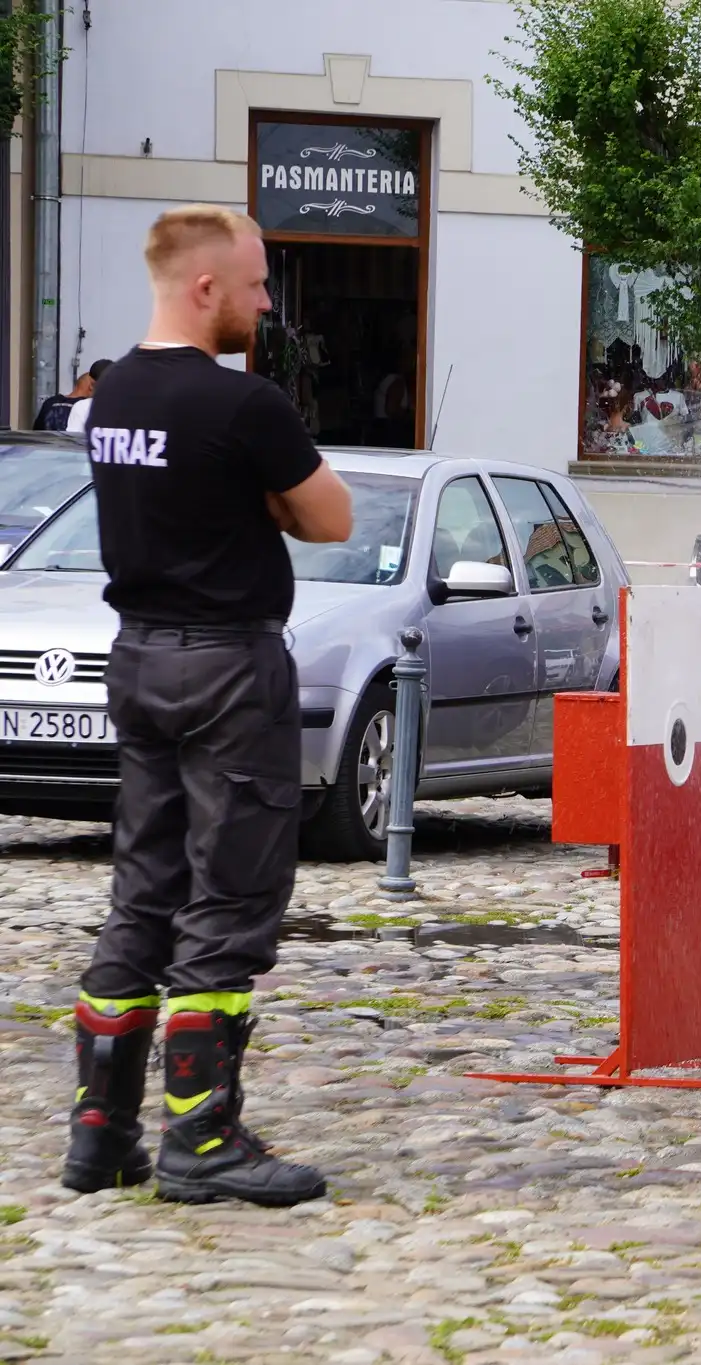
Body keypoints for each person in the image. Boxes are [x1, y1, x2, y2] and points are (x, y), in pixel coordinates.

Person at [65, 204, 353, 1206]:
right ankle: (203, 1138)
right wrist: (263, 501)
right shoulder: (245, 407)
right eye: (258, 283)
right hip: (230, 668)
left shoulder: (107, 398)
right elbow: (329, 517)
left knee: (140, 894)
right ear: (204, 287)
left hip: (139, 660)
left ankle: (100, 1134)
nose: (267, 303)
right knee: (227, 900)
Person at [34, 359, 111, 432]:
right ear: (91, 386)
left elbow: (36, 432)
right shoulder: (85, 408)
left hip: (46, 445)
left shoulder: (49, 403)